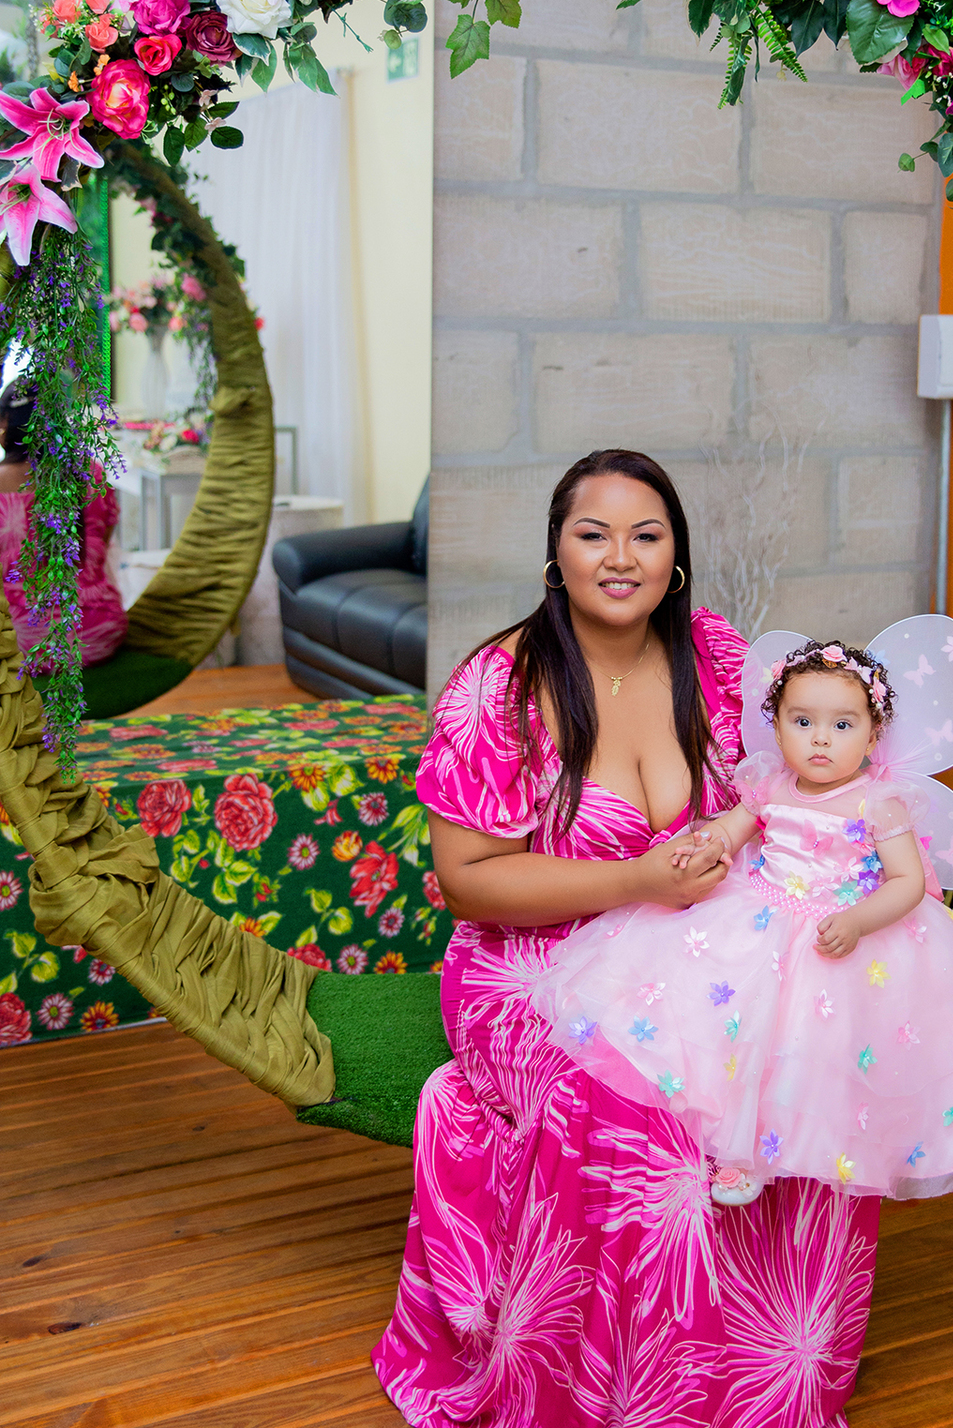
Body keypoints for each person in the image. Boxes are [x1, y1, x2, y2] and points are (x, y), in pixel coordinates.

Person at [372, 449, 880, 1428]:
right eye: (591, 534)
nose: (620, 557)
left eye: (646, 536)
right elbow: (465, 880)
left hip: (714, 954)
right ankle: (628, 1395)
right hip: (537, 971)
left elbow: (804, 784)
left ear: (676, 559)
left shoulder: (723, 664)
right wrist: (637, 880)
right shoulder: (500, 689)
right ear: (555, 554)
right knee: (644, 1103)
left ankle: (760, 1379)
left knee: (820, 1056)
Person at [534, 634, 953, 1208]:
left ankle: (808, 1148)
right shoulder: (770, 786)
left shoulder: (879, 803)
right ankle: (735, 1151)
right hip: (761, 920)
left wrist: (857, 920)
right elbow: (732, 829)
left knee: (817, 1050)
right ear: (777, 729)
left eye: (843, 725)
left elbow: (908, 883)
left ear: (873, 737)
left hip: (841, 936)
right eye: (803, 721)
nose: (821, 738)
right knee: (740, 1038)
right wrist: (704, 844)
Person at [0, 379, 127, 666]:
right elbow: (100, 551)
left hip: (24, 642)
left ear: (6, 423)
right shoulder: (92, 474)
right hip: (98, 633)